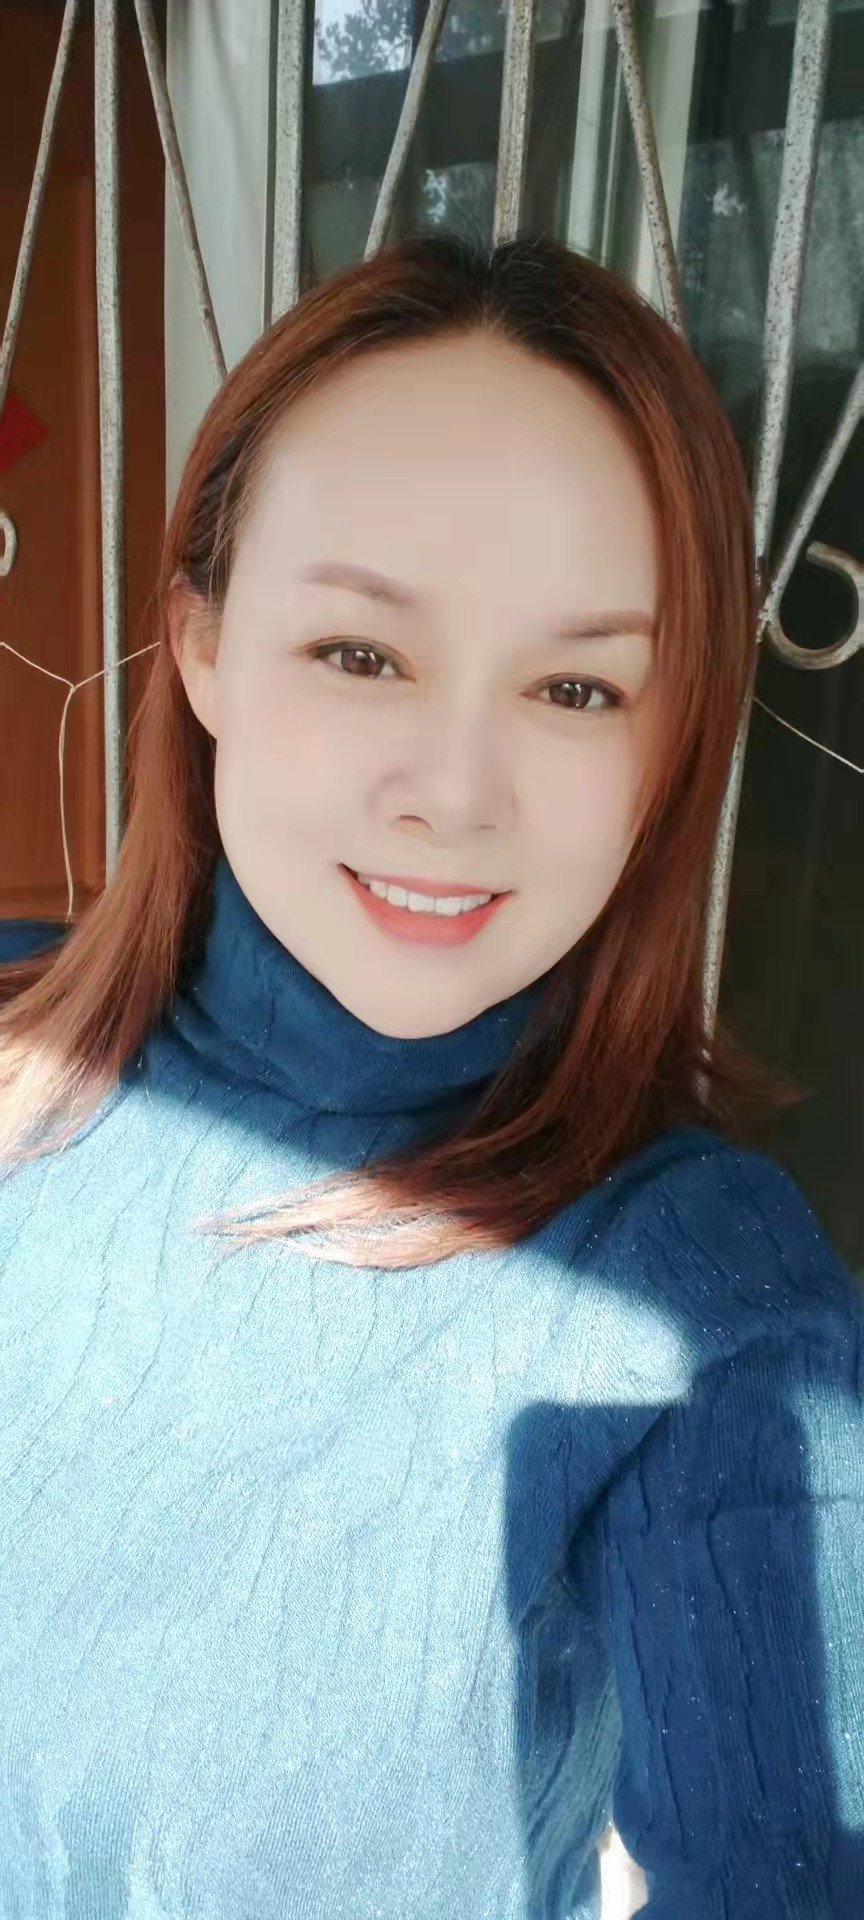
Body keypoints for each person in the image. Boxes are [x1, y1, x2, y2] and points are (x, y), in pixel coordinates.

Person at [0, 232, 861, 1920]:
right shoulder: (23, 1039)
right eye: (364, 653)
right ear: (202, 646)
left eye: (574, 685)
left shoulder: (694, 1297)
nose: (455, 794)